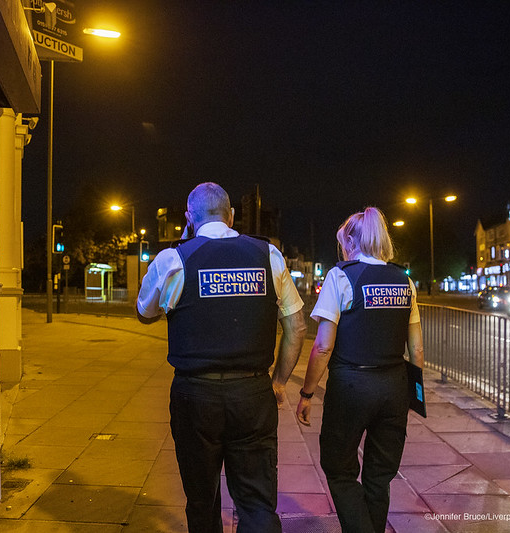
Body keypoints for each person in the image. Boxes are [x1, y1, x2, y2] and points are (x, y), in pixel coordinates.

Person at [136, 182, 307, 533]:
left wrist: (187, 242)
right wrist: (279, 382)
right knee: (257, 504)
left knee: (202, 500)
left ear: (189, 218)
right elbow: (298, 326)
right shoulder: (267, 255)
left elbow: (144, 312)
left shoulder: (174, 259)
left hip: (195, 397)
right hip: (253, 393)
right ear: (231, 216)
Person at [296, 207, 424, 533]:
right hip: (394, 385)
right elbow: (417, 350)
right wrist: (413, 394)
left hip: (351, 385)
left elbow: (323, 346)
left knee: (338, 468)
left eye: (343, 242)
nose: (342, 249)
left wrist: (307, 393)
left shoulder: (342, 276)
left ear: (352, 240)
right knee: (380, 475)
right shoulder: (404, 280)